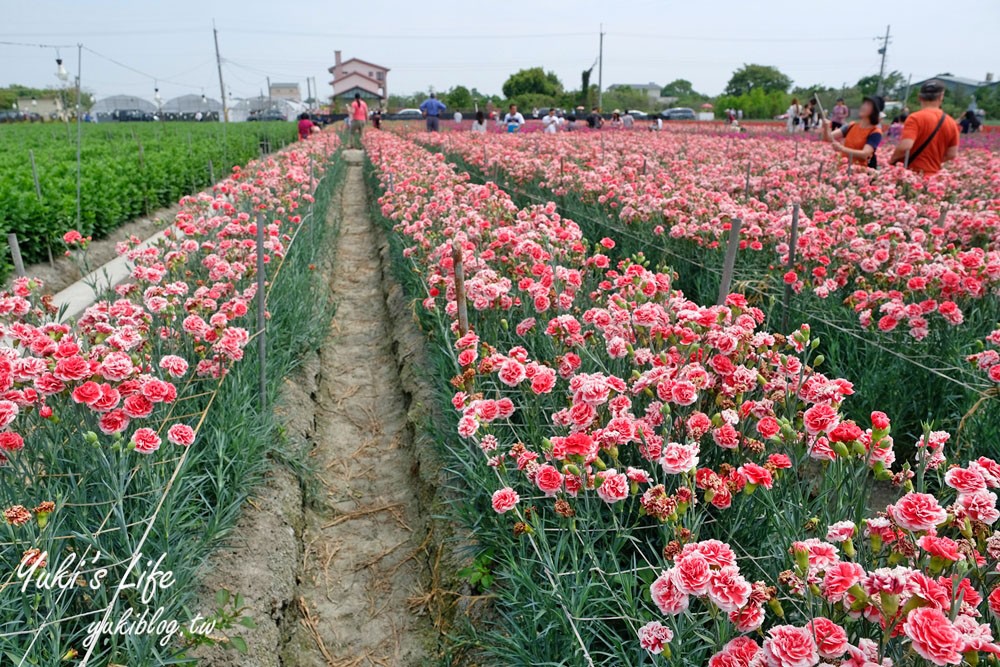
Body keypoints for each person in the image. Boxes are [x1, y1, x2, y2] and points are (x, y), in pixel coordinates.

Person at [889, 80, 960, 175]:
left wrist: (892, 160)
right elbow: (952, 154)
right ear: (941, 97)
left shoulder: (915, 118)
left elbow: (905, 146)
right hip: (934, 178)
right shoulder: (951, 122)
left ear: (919, 97)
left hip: (912, 175)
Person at [822, 95, 884, 168]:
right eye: (864, 103)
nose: (863, 106)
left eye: (868, 104)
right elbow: (828, 138)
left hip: (860, 172)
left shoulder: (875, 132)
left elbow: (865, 154)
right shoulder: (851, 126)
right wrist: (826, 128)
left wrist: (842, 148)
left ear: (874, 111)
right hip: (843, 168)